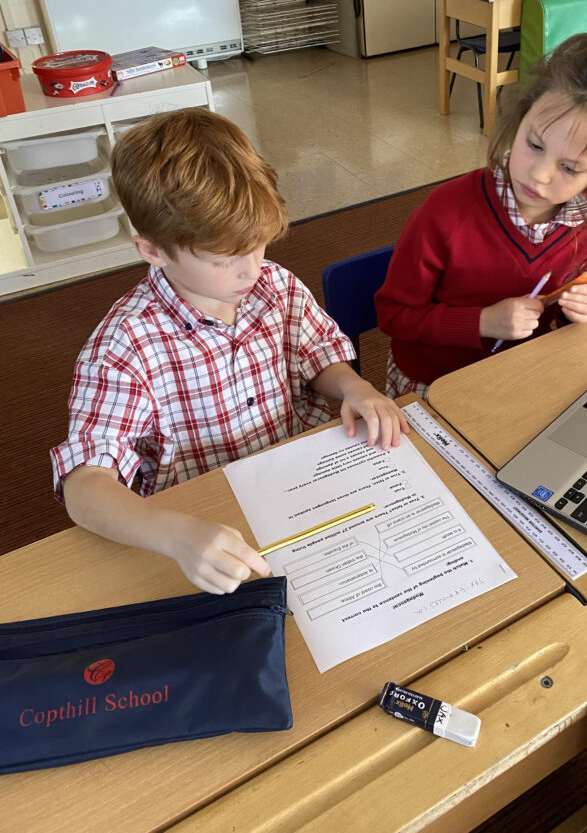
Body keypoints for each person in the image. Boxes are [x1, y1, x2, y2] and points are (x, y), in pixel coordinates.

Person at [52, 108, 408, 595]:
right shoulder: (125, 345)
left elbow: (317, 353)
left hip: (298, 485)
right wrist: (175, 534)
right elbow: (84, 487)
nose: (251, 271)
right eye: (224, 260)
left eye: (259, 246)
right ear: (152, 250)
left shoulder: (274, 284)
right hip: (202, 527)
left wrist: (354, 385)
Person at [375, 32, 587, 398]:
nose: (539, 174)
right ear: (520, 119)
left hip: (521, 377)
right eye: (534, 145)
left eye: (570, 168)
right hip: (433, 382)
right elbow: (394, 314)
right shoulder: (445, 213)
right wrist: (482, 322)